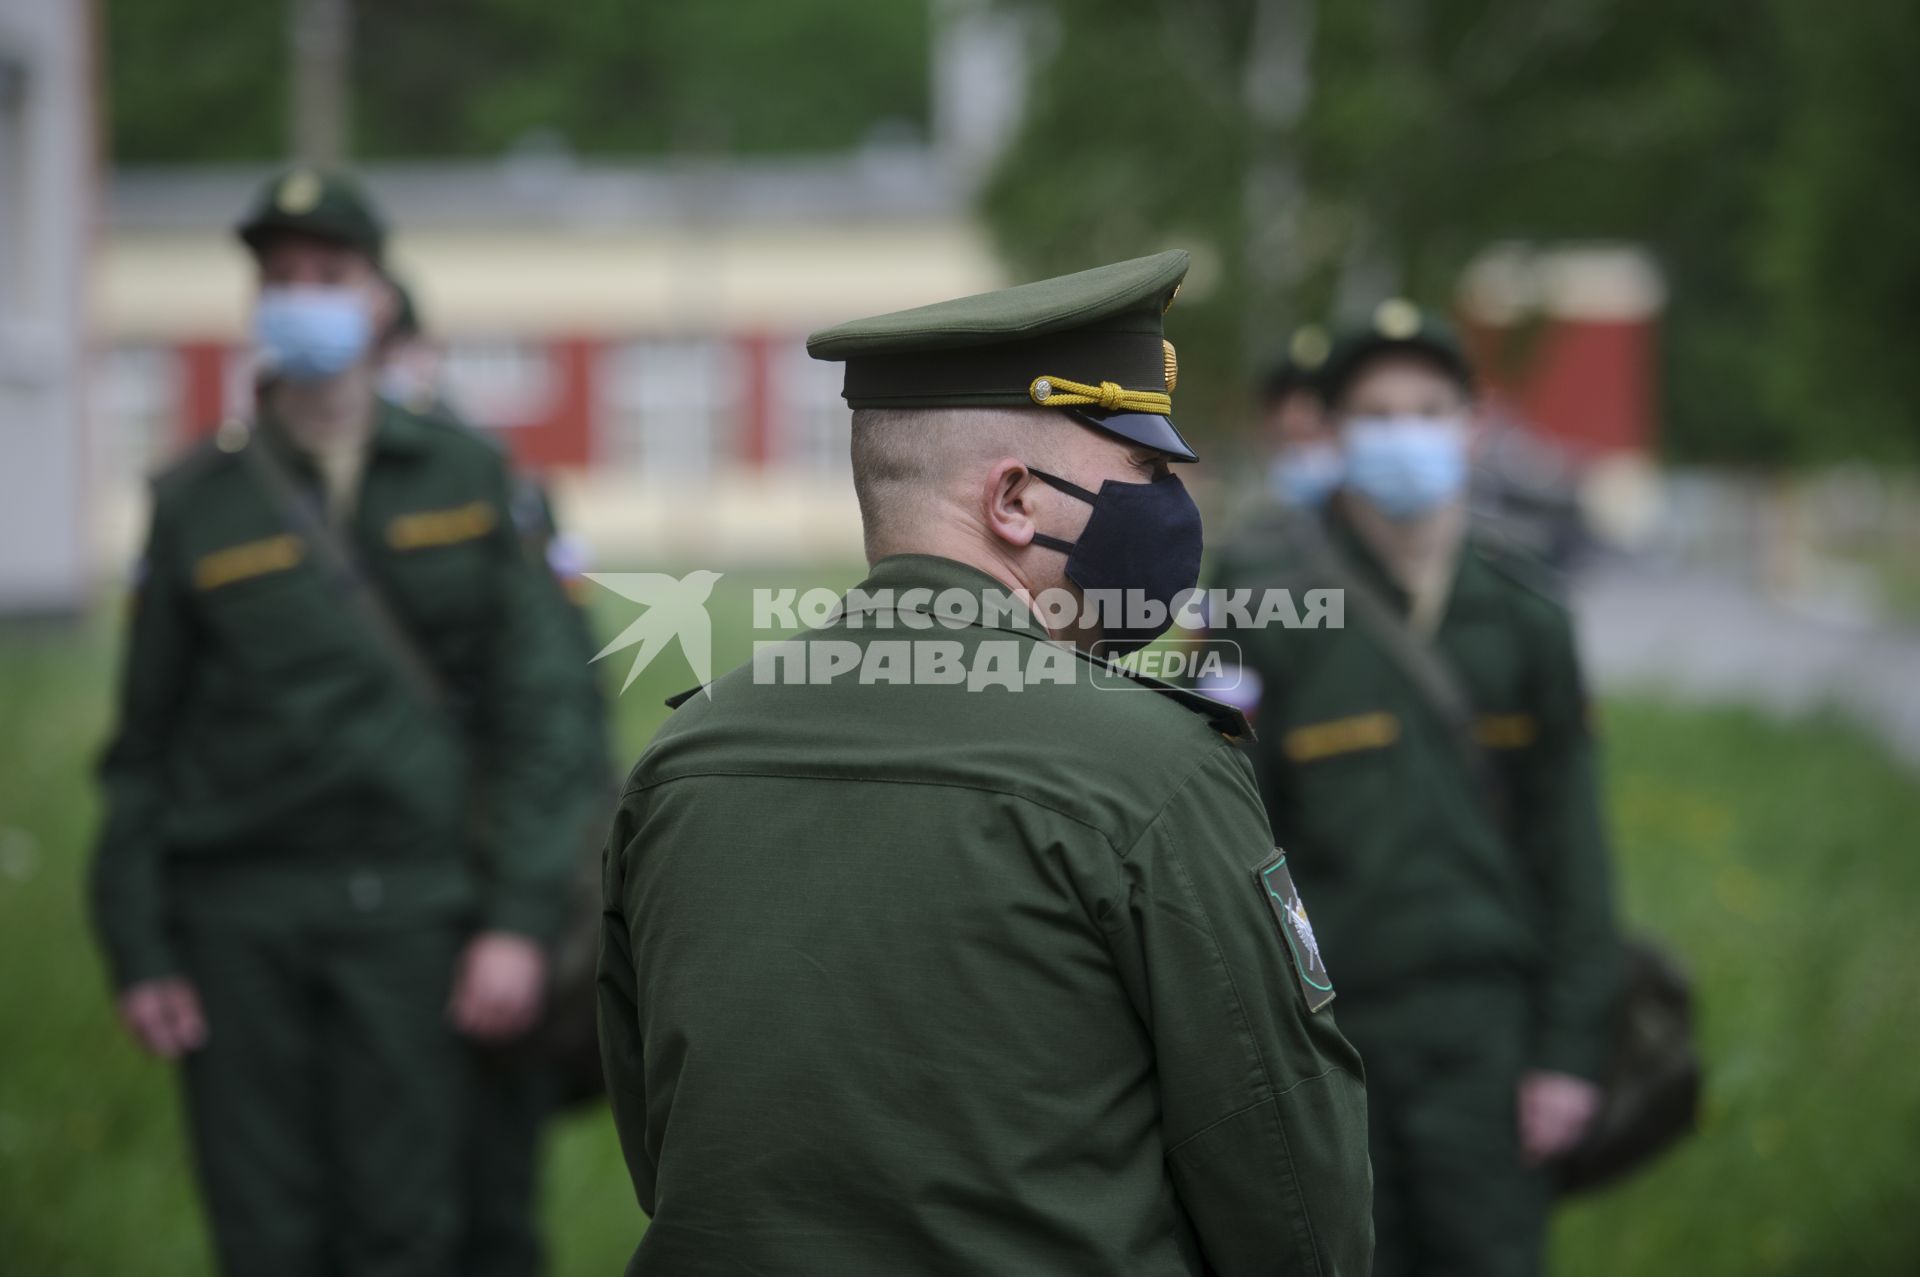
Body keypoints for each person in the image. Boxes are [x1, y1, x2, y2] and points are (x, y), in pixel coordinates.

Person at [596, 251, 1375, 1275]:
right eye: (1145, 471)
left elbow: (669, 1149)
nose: (1177, 506)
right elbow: (1288, 1189)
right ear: (1014, 499)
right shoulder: (1152, 768)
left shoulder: (682, 758)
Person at [91, 169, 583, 1277]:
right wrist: (139, 941)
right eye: (278, 277)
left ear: (376, 298)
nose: (300, 296)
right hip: (239, 924)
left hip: (418, 915)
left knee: (405, 1231)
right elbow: (142, 746)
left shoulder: (466, 475)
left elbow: (542, 710)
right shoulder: (193, 502)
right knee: (266, 1236)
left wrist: (516, 916)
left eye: (328, 274)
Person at [1206, 299, 1621, 1276]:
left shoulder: (1526, 612)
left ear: (1473, 424)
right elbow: (1221, 833)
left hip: (1488, 1035)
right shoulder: (1262, 594)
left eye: (1428, 409)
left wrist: (1567, 1048)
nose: (1405, 434)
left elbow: (1574, 845)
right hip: (1325, 1033)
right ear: (1336, 433)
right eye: (1377, 413)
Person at [371, 272, 617, 1276]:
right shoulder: (260, 498)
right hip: (357, 898)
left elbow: (566, 711)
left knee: (490, 1208)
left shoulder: (495, 491)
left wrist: (546, 901)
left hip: (497, 878)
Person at [1261, 323, 1341, 511]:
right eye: (1294, 408)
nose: (1305, 418)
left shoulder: (1343, 470)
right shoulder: (1275, 470)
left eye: (1312, 406)